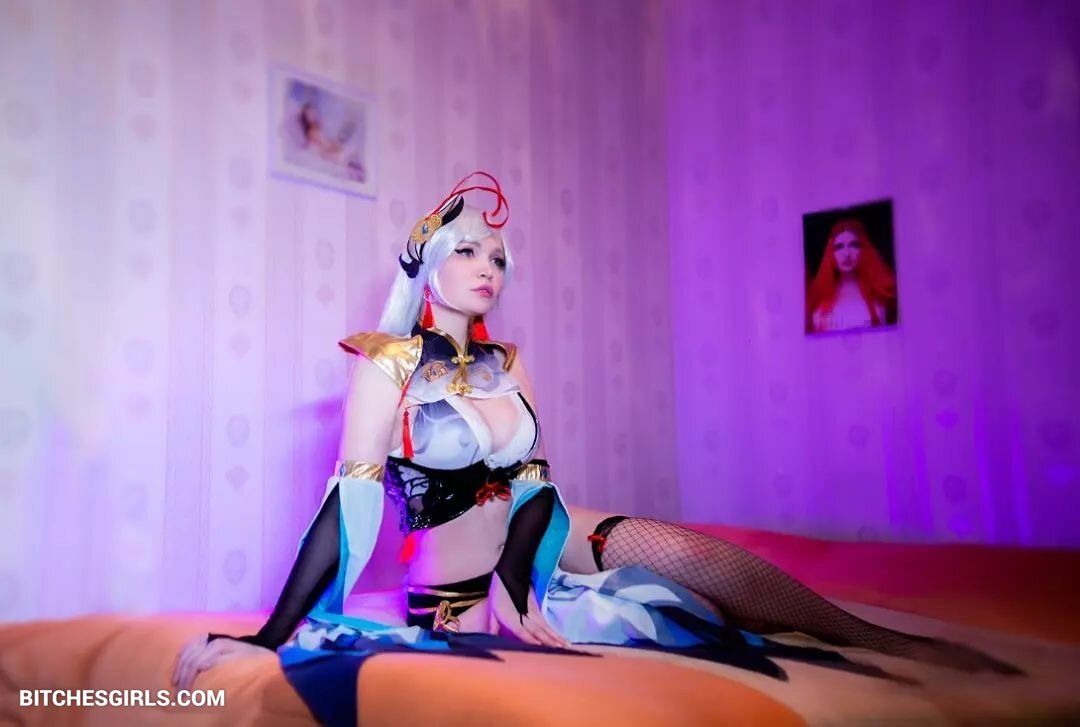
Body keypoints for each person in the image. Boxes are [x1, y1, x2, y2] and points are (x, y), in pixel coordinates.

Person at [174, 173, 1017, 698]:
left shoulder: (509, 362)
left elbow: (536, 482)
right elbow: (350, 506)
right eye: (470, 251)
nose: (489, 267)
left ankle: (886, 638)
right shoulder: (386, 363)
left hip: (537, 548)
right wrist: (268, 636)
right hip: (458, 591)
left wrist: (520, 576)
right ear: (429, 263)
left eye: (499, 257)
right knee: (679, 619)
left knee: (696, 558)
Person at [807, 217, 897, 333]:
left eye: (853, 245)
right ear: (831, 253)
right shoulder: (820, 297)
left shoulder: (879, 294)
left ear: (863, 249)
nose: (847, 254)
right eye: (839, 247)